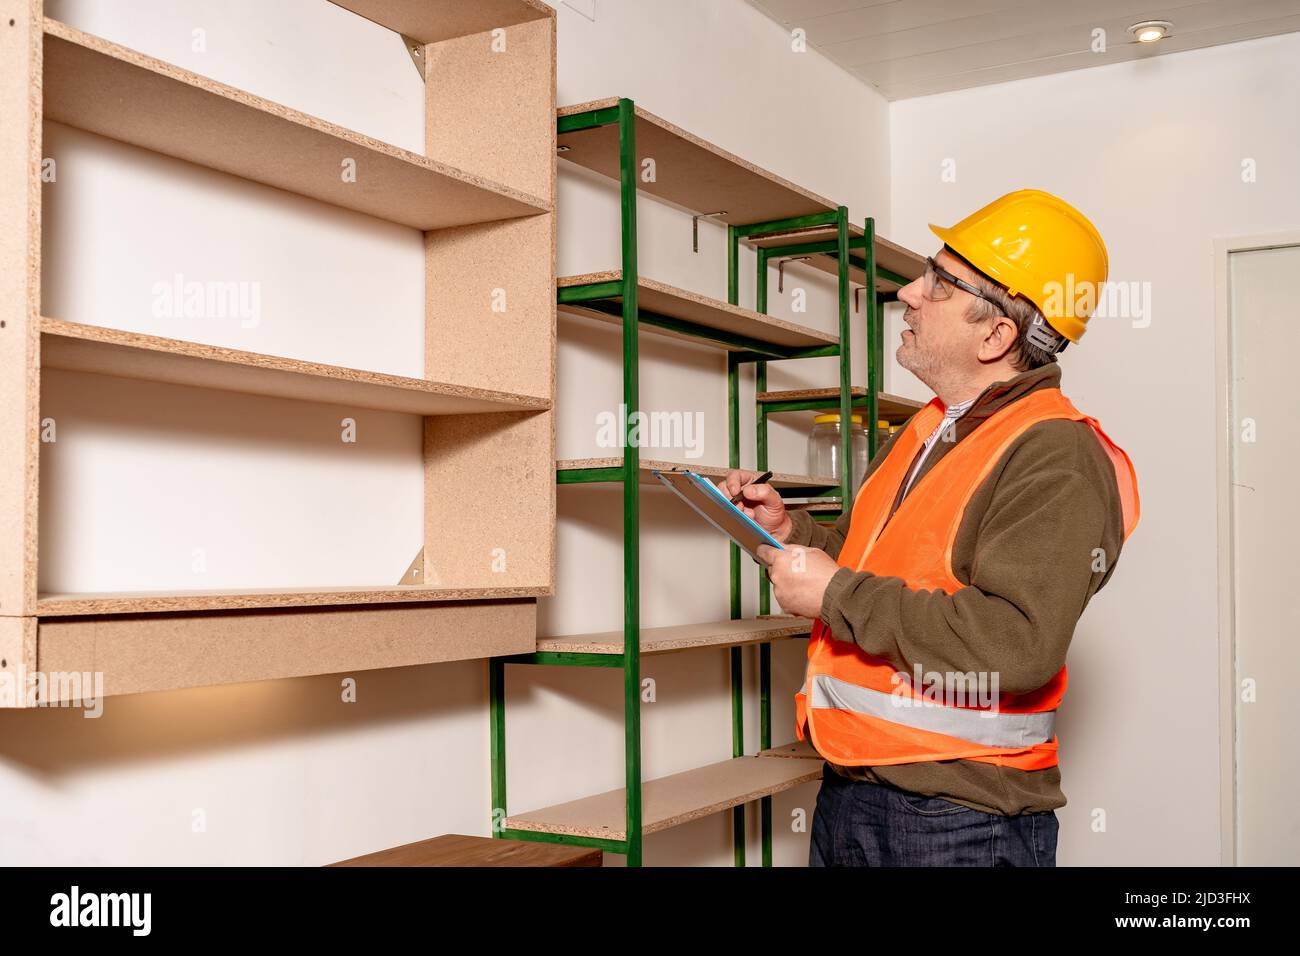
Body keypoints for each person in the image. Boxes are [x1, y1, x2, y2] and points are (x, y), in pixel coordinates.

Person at [719, 189, 1139, 867]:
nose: (909, 292)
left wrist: (833, 594)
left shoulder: (1056, 453)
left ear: (996, 334)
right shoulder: (927, 427)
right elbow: (871, 568)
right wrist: (791, 532)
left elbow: (1018, 642)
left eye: (940, 284)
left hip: (958, 820)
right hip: (853, 789)